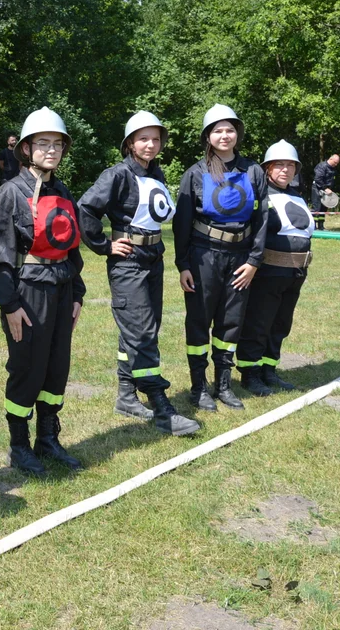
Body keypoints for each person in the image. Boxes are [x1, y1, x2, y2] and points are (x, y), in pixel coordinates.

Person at [78, 111, 199, 436]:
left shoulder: (156, 174)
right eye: (143, 138)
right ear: (130, 143)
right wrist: (104, 245)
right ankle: (162, 408)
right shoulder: (117, 174)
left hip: (153, 258)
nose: (150, 144)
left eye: (155, 138)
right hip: (128, 263)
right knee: (142, 331)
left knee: (141, 328)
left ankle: (127, 396)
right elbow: (86, 208)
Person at [0, 108, 86, 477]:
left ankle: (48, 437)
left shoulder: (63, 192)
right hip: (28, 294)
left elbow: (71, 249)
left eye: (57, 144)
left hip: (61, 291)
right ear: (26, 148)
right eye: (43, 143)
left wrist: (77, 294)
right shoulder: (9, 194)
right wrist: (10, 304)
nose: (51, 150)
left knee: (56, 367)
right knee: (27, 367)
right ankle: (19, 444)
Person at [173, 104, 267, 412]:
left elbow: (262, 219)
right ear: (207, 137)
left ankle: (223, 384)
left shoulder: (253, 171)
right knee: (199, 321)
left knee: (231, 323)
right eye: (217, 130)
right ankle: (199, 386)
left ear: (237, 134)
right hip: (204, 256)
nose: (224, 135)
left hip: (240, 258)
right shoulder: (195, 174)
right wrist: (183, 265)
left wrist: (254, 261)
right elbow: (182, 223)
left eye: (229, 130)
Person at [237, 141, 313, 396]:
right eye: (279, 165)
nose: (285, 170)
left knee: (281, 324)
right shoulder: (260, 196)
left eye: (290, 165)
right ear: (267, 168)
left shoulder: (298, 197)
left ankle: (269, 369)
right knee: (259, 323)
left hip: (296, 273)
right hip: (268, 272)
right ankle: (250, 373)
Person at [310, 153, 339, 230]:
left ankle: (321, 226)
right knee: (316, 208)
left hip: (327, 191)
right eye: (335, 162)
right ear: (331, 159)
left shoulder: (333, 168)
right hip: (317, 189)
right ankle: (313, 226)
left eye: (337, 163)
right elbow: (318, 179)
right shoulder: (322, 166)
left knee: (323, 209)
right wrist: (325, 188)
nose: (336, 165)